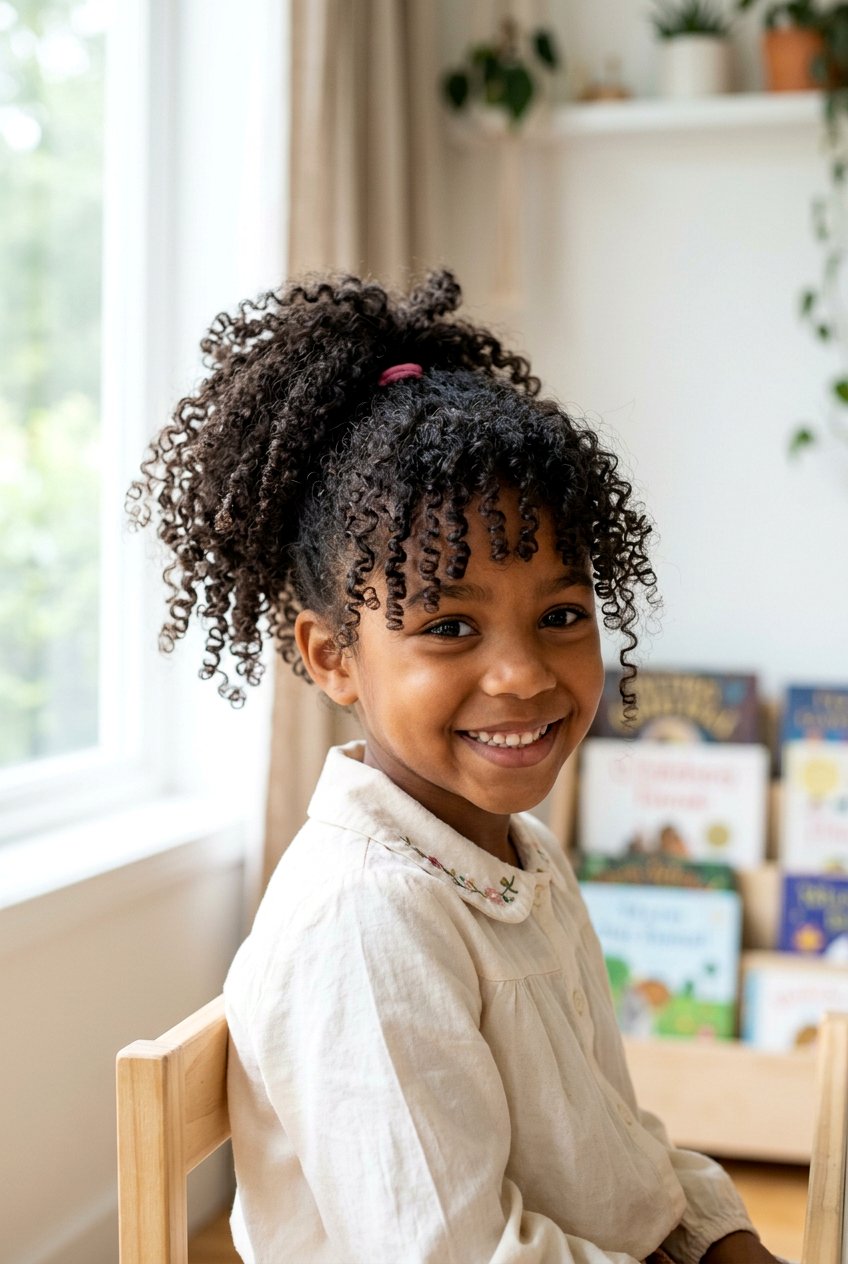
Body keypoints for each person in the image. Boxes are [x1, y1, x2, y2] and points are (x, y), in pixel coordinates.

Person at [128, 271, 784, 1264]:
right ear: (329, 655)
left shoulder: (515, 858)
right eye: (448, 626)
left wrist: (722, 1241)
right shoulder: (366, 923)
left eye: (560, 616)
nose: (521, 675)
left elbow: (616, 1158)